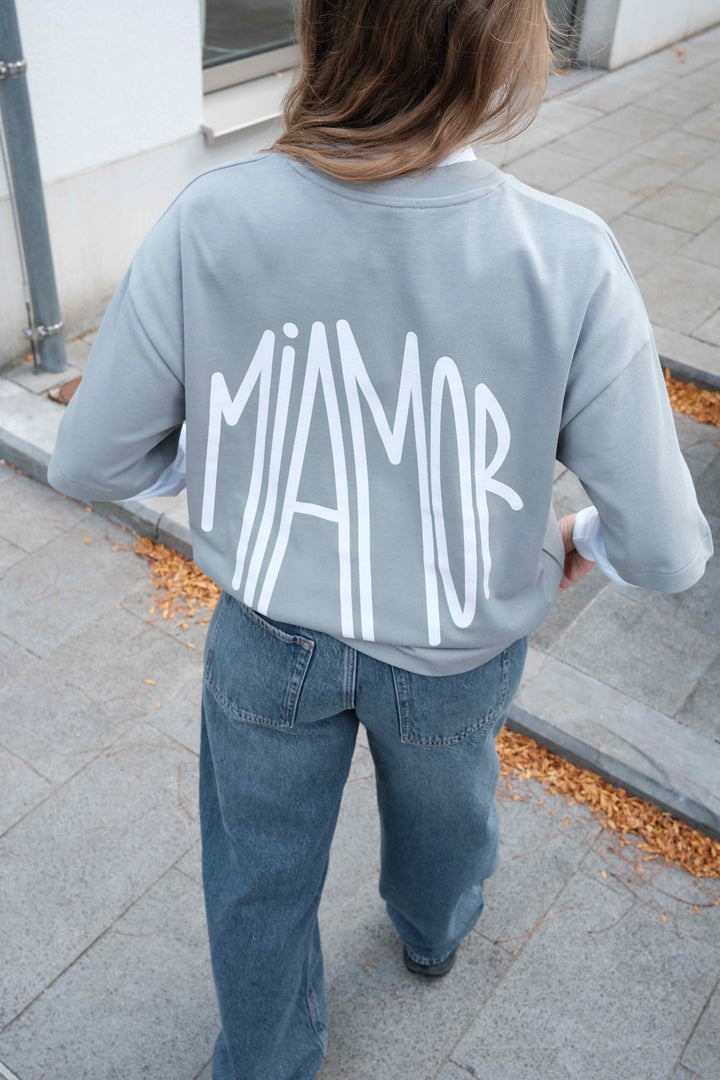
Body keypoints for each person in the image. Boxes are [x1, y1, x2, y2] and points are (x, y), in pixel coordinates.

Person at [46, 0, 714, 1075]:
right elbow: (670, 548)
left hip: (268, 631)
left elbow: (90, 461)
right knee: (448, 824)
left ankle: (265, 1060)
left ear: (323, 29)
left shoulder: (211, 216)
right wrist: (584, 536)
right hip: (457, 642)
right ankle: (432, 933)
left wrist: (217, 461)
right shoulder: (567, 257)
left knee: (257, 873)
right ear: (502, 47)